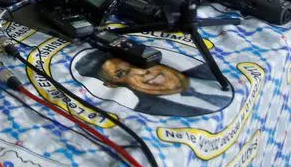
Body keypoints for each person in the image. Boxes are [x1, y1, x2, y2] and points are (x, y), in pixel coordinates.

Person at [72, 48, 234, 118]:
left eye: (135, 62)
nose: (142, 72)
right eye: (121, 73)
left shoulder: (208, 68)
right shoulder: (149, 112)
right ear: (112, 84)